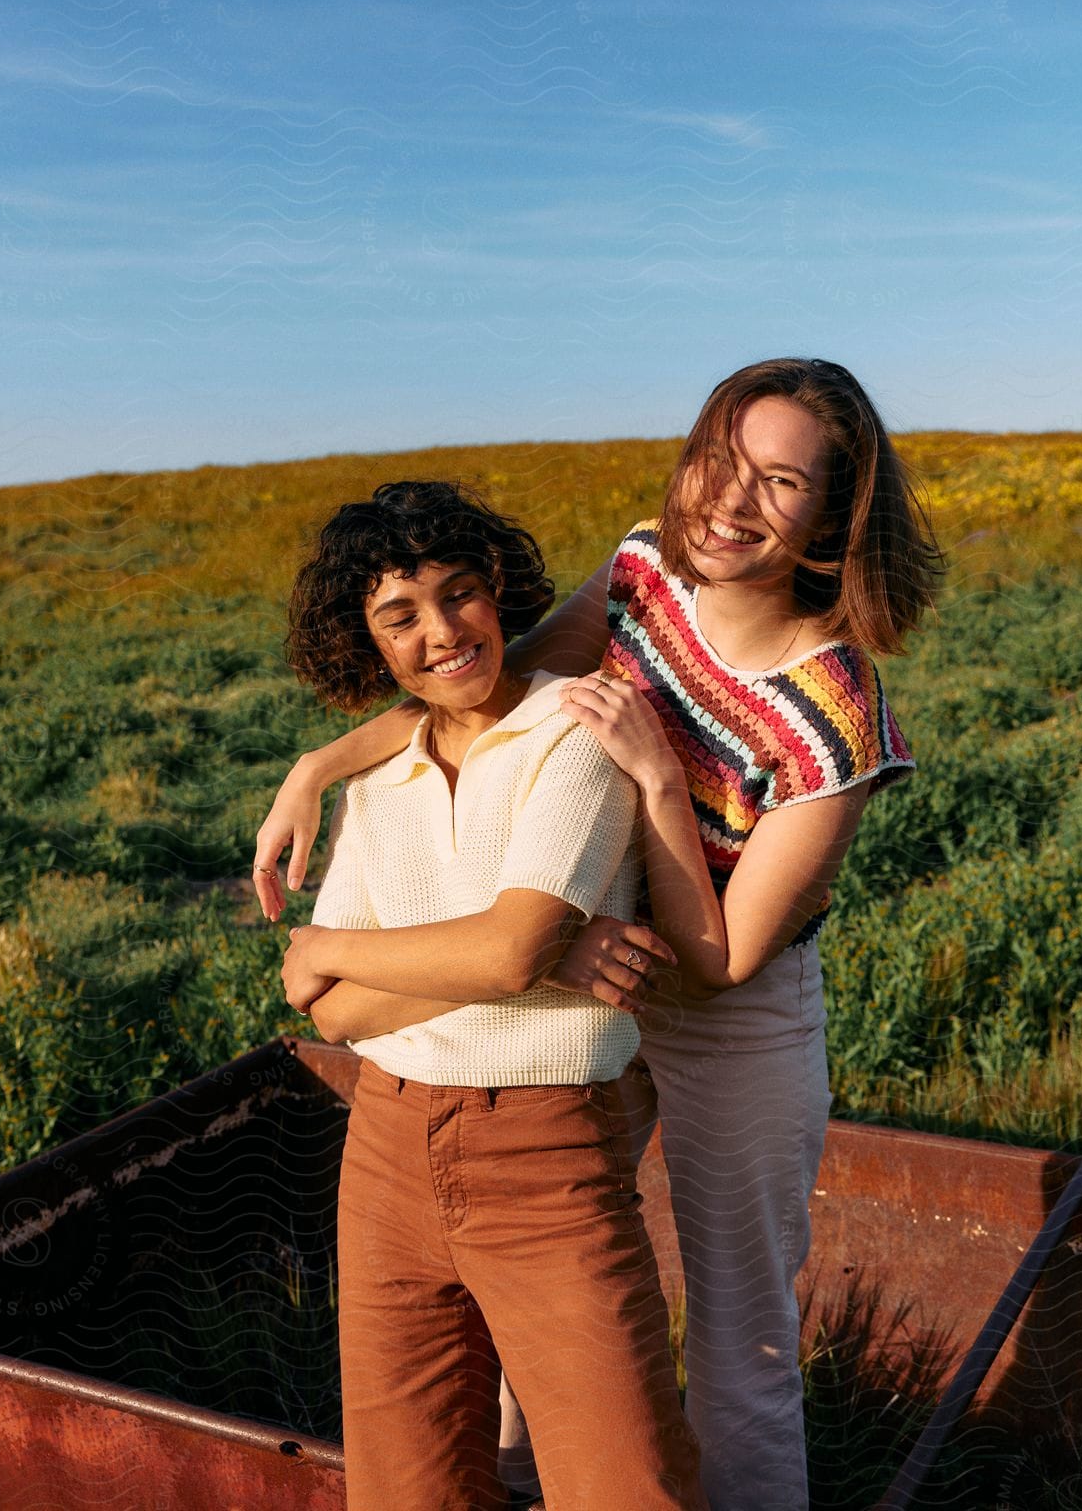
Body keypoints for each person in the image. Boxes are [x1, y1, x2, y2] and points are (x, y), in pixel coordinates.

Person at [257, 359, 942, 1511]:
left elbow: (722, 961)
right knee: (546, 1298)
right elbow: (492, 683)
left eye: (778, 483)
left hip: (735, 1013)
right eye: (718, 464)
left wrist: (655, 781)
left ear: (833, 517)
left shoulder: (835, 707)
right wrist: (317, 767)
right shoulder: (641, 572)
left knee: (740, 1337)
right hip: (594, 975)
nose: (729, 503)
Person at [273, 479, 706, 1511]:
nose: (442, 633)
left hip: (546, 1154)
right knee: (406, 1484)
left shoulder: (578, 730)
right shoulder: (381, 778)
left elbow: (500, 950)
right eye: (400, 617)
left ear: (498, 588)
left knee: (626, 1481)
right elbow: (334, 1016)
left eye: (459, 594)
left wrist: (329, 942)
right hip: (383, 1148)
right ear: (366, 642)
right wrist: (540, 952)